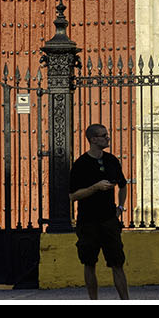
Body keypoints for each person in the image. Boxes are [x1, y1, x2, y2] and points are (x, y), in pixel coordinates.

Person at [67, 122, 129, 299]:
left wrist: (120, 207)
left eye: (107, 135)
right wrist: (95, 187)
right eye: (104, 136)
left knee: (117, 263)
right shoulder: (81, 164)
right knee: (89, 263)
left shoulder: (111, 161)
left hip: (109, 220)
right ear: (93, 139)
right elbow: (73, 196)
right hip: (88, 222)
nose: (108, 138)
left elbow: (123, 185)